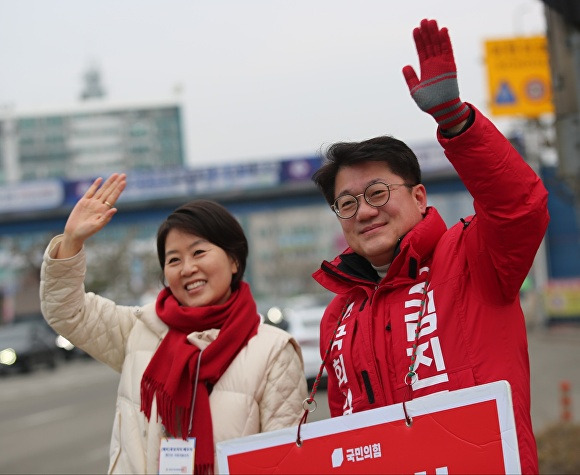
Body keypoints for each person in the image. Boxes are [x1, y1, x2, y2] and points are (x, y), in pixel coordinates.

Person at [311, 19, 548, 474]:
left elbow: (521, 206)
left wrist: (456, 121)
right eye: (346, 203)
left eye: (378, 193)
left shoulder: (473, 255)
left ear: (419, 198)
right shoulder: (338, 315)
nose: (363, 211)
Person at [39, 174, 308, 474]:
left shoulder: (273, 351)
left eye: (199, 252)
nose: (188, 268)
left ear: (234, 260)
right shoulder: (139, 329)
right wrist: (72, 242)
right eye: (174, 260)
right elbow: (67, 311)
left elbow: (284, 462)